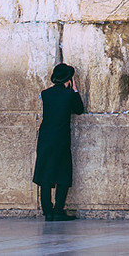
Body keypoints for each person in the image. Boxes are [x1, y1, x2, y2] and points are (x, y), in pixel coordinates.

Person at [33, 62, 84, 221]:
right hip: (61, 139)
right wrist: (74, 90)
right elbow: (79, 109)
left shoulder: (45, 94)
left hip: (45, 138)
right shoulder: (69, 95)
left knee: (46, 173)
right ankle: (58, 210)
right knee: (63, 172)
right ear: (68, 80)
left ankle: (47, 211)